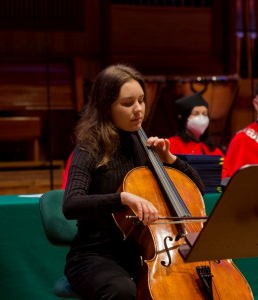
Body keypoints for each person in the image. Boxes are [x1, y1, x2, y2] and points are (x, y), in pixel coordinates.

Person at [62, 64, 205, 300]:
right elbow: (71, 204)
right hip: (95, 255)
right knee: (122, 291)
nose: (138, 110)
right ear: (106, 107)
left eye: (141, 100)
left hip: (140, 253)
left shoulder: (143, 144)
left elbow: (197, 190)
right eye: (128, 104)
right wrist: (122, 199)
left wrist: (170, 160)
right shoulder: (89, 148)